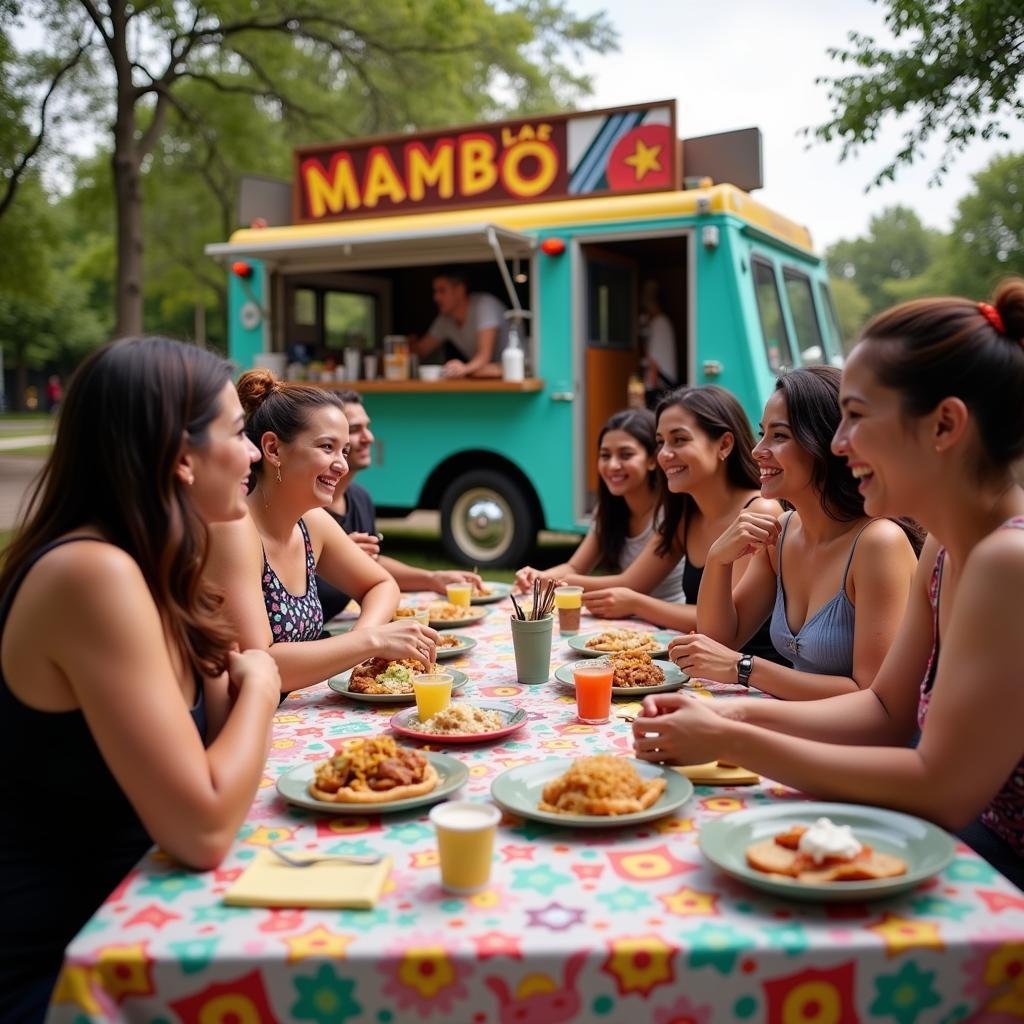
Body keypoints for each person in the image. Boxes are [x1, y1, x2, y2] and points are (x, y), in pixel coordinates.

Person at [632, 280, 1024, 889]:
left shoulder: (1007, 559)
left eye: (858, 418)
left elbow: (941, 789)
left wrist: (731, 736)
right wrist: (733, 719)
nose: (841, 444)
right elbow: (886, 711)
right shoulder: (945, 548)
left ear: (945, 425)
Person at [0, 337, 282, 1022]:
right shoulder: (92, 575)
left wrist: (244, 685)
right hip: (73, 978)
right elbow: (205, 828)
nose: (252, 455)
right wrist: (265, 684)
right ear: (180, 457)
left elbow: (215, 734)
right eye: (240, 434)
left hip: (147, 923)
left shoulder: (161, 563)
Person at [673, 366, 918, 698]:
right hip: (798, 722)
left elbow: (871, 694)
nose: (758, 450)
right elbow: (720, 639)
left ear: (828, 443)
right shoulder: (783, 533)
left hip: (856, 744)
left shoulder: (878, 543)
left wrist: (743, 668)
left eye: (779, 435)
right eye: (762, 433)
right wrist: (719, 559)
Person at [205, 371, 438, 693]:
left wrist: (365, 642)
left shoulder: (310, 522)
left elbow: (380, 583)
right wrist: (370, 641)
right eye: (327, 447)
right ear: (273, 449)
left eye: (343, 451)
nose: (342, 464)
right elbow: (260, 664)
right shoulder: (234, 530)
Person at [520, 387, 783, 660]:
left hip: (750, 676)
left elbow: (724, 626)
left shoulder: (759, 511)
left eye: (679, 440)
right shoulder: (685, 516)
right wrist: (544, 578)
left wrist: (636, 604)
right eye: (661, 442)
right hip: (702, 665)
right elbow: (633, 582)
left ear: (724, 445)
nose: (665, 454)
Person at [316, 391, 481, 622]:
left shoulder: (360, 498)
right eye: (355, 430)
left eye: (367, 427)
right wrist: (335, 558)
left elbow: (372, 563)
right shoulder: (307, 510)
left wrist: (432, 579)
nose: (369, 438)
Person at [515, 409, 685, 604]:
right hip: (627, 621)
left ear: (652, 460)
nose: (613, 465)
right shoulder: (609, 509)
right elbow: (575, 567)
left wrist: (558, 582)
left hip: (667, 624)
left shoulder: (669, 512)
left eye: (626, 455)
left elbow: (630, 584)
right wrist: (536, 576)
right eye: (605, 456)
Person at [411, 268, 509, 378]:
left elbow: (484, 356)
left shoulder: (484, 306)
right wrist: (404, 347)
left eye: (442, 290)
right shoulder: (445, 319)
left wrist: (463, 368)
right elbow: (422, 350)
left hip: (517, 372)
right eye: (435, 291)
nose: (436, 297)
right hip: (485, 376)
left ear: (459, 290)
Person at [640, 280, 677, 402]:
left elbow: (654, 363)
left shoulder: (660, 323)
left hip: (661, 385)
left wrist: (648, 389)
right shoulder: (657, 323)